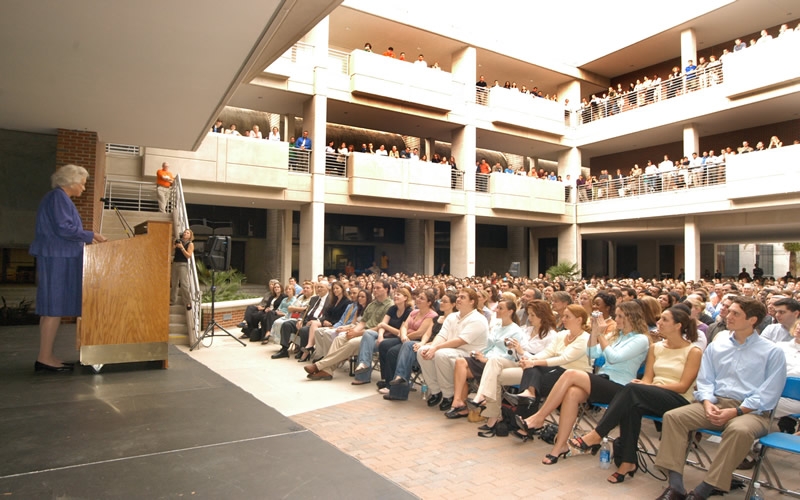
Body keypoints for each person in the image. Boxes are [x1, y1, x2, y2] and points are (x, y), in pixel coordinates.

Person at [653, 296, 786, 500]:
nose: (728, 316)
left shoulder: (772, 351)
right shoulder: (718, 345)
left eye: (735, 313)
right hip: (714, 403)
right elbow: (705, 380)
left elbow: (769, 392)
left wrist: (737, 411)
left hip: (752, 411)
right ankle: (676, 486)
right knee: (674, 417)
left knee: (738, 429)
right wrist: (707, 402)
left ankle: (705, 488)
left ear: (752, 320)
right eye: (729, 311)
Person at [569, 306, 702, 484]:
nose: (658, 322)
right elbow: (647, 378)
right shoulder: (656, 347)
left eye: (664, 320)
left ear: (678, 326)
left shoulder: (693, 351)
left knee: (631, 390)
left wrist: (650, 387)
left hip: (678, 400)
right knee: (632, 403)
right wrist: (646, 385)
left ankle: (597, 434)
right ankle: (627, 462)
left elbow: (683, 385)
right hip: (652, 394)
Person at [519, 301, 650, 465]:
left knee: (571, 374)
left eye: (620, 316)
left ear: (631, 317)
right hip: (603, 380)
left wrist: (601, 335)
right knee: (572, 393)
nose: (616, 319)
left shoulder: (641, 339)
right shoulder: (617, 335)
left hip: (622, 388)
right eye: (616, 315)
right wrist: (595, 333)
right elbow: (592, 354)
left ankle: (539, 417)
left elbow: (614, 358)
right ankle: (560, 447)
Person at [29, 164, 106, 372]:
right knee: (53, 308)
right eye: (82, 184)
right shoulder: (58, 198)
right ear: (70, 182)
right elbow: (64, 228)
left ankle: (46, 355)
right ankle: (44, 358)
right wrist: (92, 235)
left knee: (51, 310)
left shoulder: (59, 198)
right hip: (57, 257)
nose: (83, 188)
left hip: (57, 256)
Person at [445, 299, 523, 420]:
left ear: (510, 311)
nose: (496, 310)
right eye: (497, 307)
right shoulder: (497, 326)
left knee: (462, 370)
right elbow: (489, 346)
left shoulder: (516, 331)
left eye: (500, 308)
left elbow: (511, 355)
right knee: (460, 362)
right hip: (486, 358)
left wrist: (485, 359)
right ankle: (458, 401)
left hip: (497, 363)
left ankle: (461, 406)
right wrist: (479, 354)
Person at [416, 288, 489, 411]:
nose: (458, 299)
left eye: (462, 297)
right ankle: (435, 391)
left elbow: (460, 341)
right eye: (458, 296)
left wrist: (436, 348)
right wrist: (432, 347)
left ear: (472, 301)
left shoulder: (478, 319)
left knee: (441, 354)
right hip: (451, 350)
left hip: (469, 355)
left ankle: (448, 395)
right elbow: (442, 335)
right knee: (422, 350)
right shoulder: (452, 316)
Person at [304, 279, 393, 380]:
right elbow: (363, 322)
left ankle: (319, 366)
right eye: (374, 288)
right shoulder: (372, 304)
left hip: (375, 336)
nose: (375, 290)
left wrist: (357, 333)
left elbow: (381, 327)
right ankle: (327, 371)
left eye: (378, 288)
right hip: (362, 331)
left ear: (386, 289)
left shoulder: (390, 305)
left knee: (351, 343)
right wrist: (354, 331)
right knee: (339, 339)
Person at [351, 287, 413, 384]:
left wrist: (385, 326)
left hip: (395, 339)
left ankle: (363, 377)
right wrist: (380, 336)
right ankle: (364, 364)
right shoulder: (392, 308)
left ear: (405, 297)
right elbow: (382, 325)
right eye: (395, 294)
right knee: (368, 333)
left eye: (398, 294)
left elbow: (400, 332)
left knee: (366, 343)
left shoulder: (409, 311)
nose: (395, 296)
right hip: (385, 336)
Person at [171, 229, 195, 311]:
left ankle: (188, 302)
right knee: (174, 283)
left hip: (183, 264)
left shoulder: (190, 244)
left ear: (190, 236)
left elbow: (188, 255)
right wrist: (174, 246)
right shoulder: (178, 241)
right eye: (185, 232)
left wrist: (182, 248)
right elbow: (171, 252)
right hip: (175, 263)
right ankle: (172, 300)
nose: (185, 233)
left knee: (184, 284)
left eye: (187, 233)